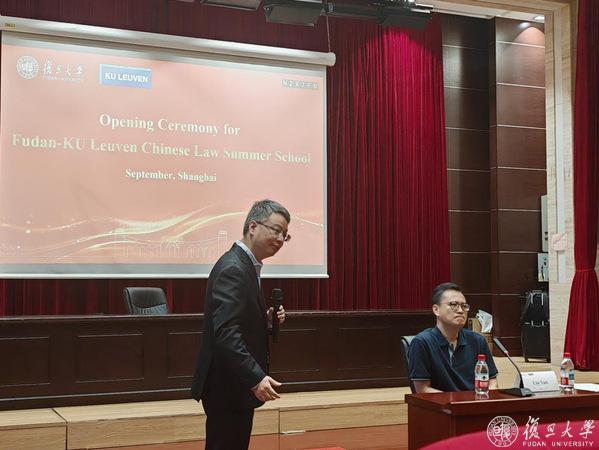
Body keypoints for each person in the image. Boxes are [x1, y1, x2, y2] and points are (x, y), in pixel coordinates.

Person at [191, 199, 290, 450]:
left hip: (234, 386)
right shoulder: (234, 268)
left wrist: (266, 321)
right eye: (276, 230)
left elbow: (239, 323)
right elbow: (226, 332)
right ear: (253, 226)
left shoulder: (246, 265)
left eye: (285, 235)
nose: (280, 239)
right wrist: (255, 378)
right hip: (227, 386)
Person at [408, 282, 498, 393]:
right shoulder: (422, 342)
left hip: (475, 400)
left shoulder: (477, 340)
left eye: (464, 306)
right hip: (441, 403)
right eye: (453, 305)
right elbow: (422, 389)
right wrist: (456, 402)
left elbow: (492, 382)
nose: (460, 310)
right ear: (436, 310)